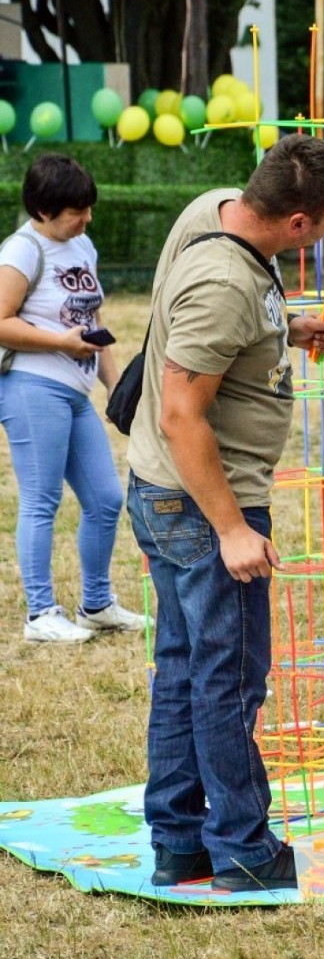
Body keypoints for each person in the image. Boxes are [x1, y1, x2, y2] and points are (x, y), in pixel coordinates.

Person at [126, 133, 324, 891]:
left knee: (186, 668)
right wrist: (231, 528)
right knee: (227, 676)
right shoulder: (223, 285)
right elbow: (181, 415)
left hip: (179, 495)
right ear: (297, 223)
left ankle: (180, 840)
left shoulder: (215, 212)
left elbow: (217, 329)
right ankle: (244, 851)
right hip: (199, 503)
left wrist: (284, 331)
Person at [0, 153, 146, 643]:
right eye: (75, 210)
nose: (86, 218)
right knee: (42, 501)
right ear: (43, 210)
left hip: (77, 388)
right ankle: (40, 614)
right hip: (31, 385)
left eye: (88, 208)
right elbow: (1, 322)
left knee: (105, 499)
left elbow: (93, 318)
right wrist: (63, 343)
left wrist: (113, 383)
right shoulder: (20, 252)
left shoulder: (82, 245)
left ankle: (97, 604)